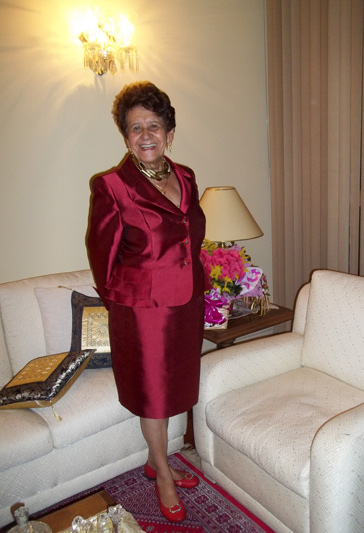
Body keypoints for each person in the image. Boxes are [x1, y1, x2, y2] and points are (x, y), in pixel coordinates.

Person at [86, 81, 206, 523]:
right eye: (135, 127)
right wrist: (123, 304)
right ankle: (163, 476)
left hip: (187, 303)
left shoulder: (186, 176)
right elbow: (101, 254)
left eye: (153, 125)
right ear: (126, 136)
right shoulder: (112, 186)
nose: (145, 135)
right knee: (154, 396)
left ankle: (158, 461)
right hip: (143, 311)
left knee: (177, 390)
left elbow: (190, 236)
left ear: (169, 133)